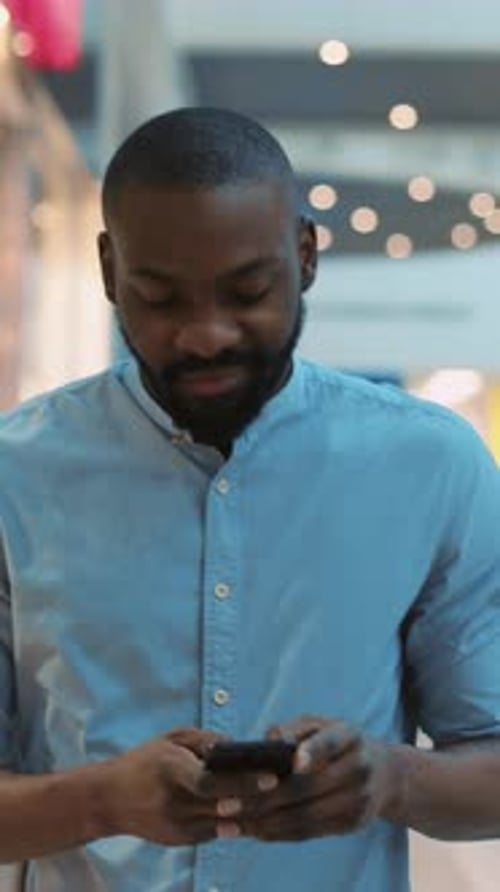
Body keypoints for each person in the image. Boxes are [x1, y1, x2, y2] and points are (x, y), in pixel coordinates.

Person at [0, 106, 499, 892]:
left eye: (247, 291)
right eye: (161, 299)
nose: (205, 334)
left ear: (305, 255)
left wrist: (391, 780)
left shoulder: (429, 465)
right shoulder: (13, 477)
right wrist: (98, 801)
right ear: (107, 271)